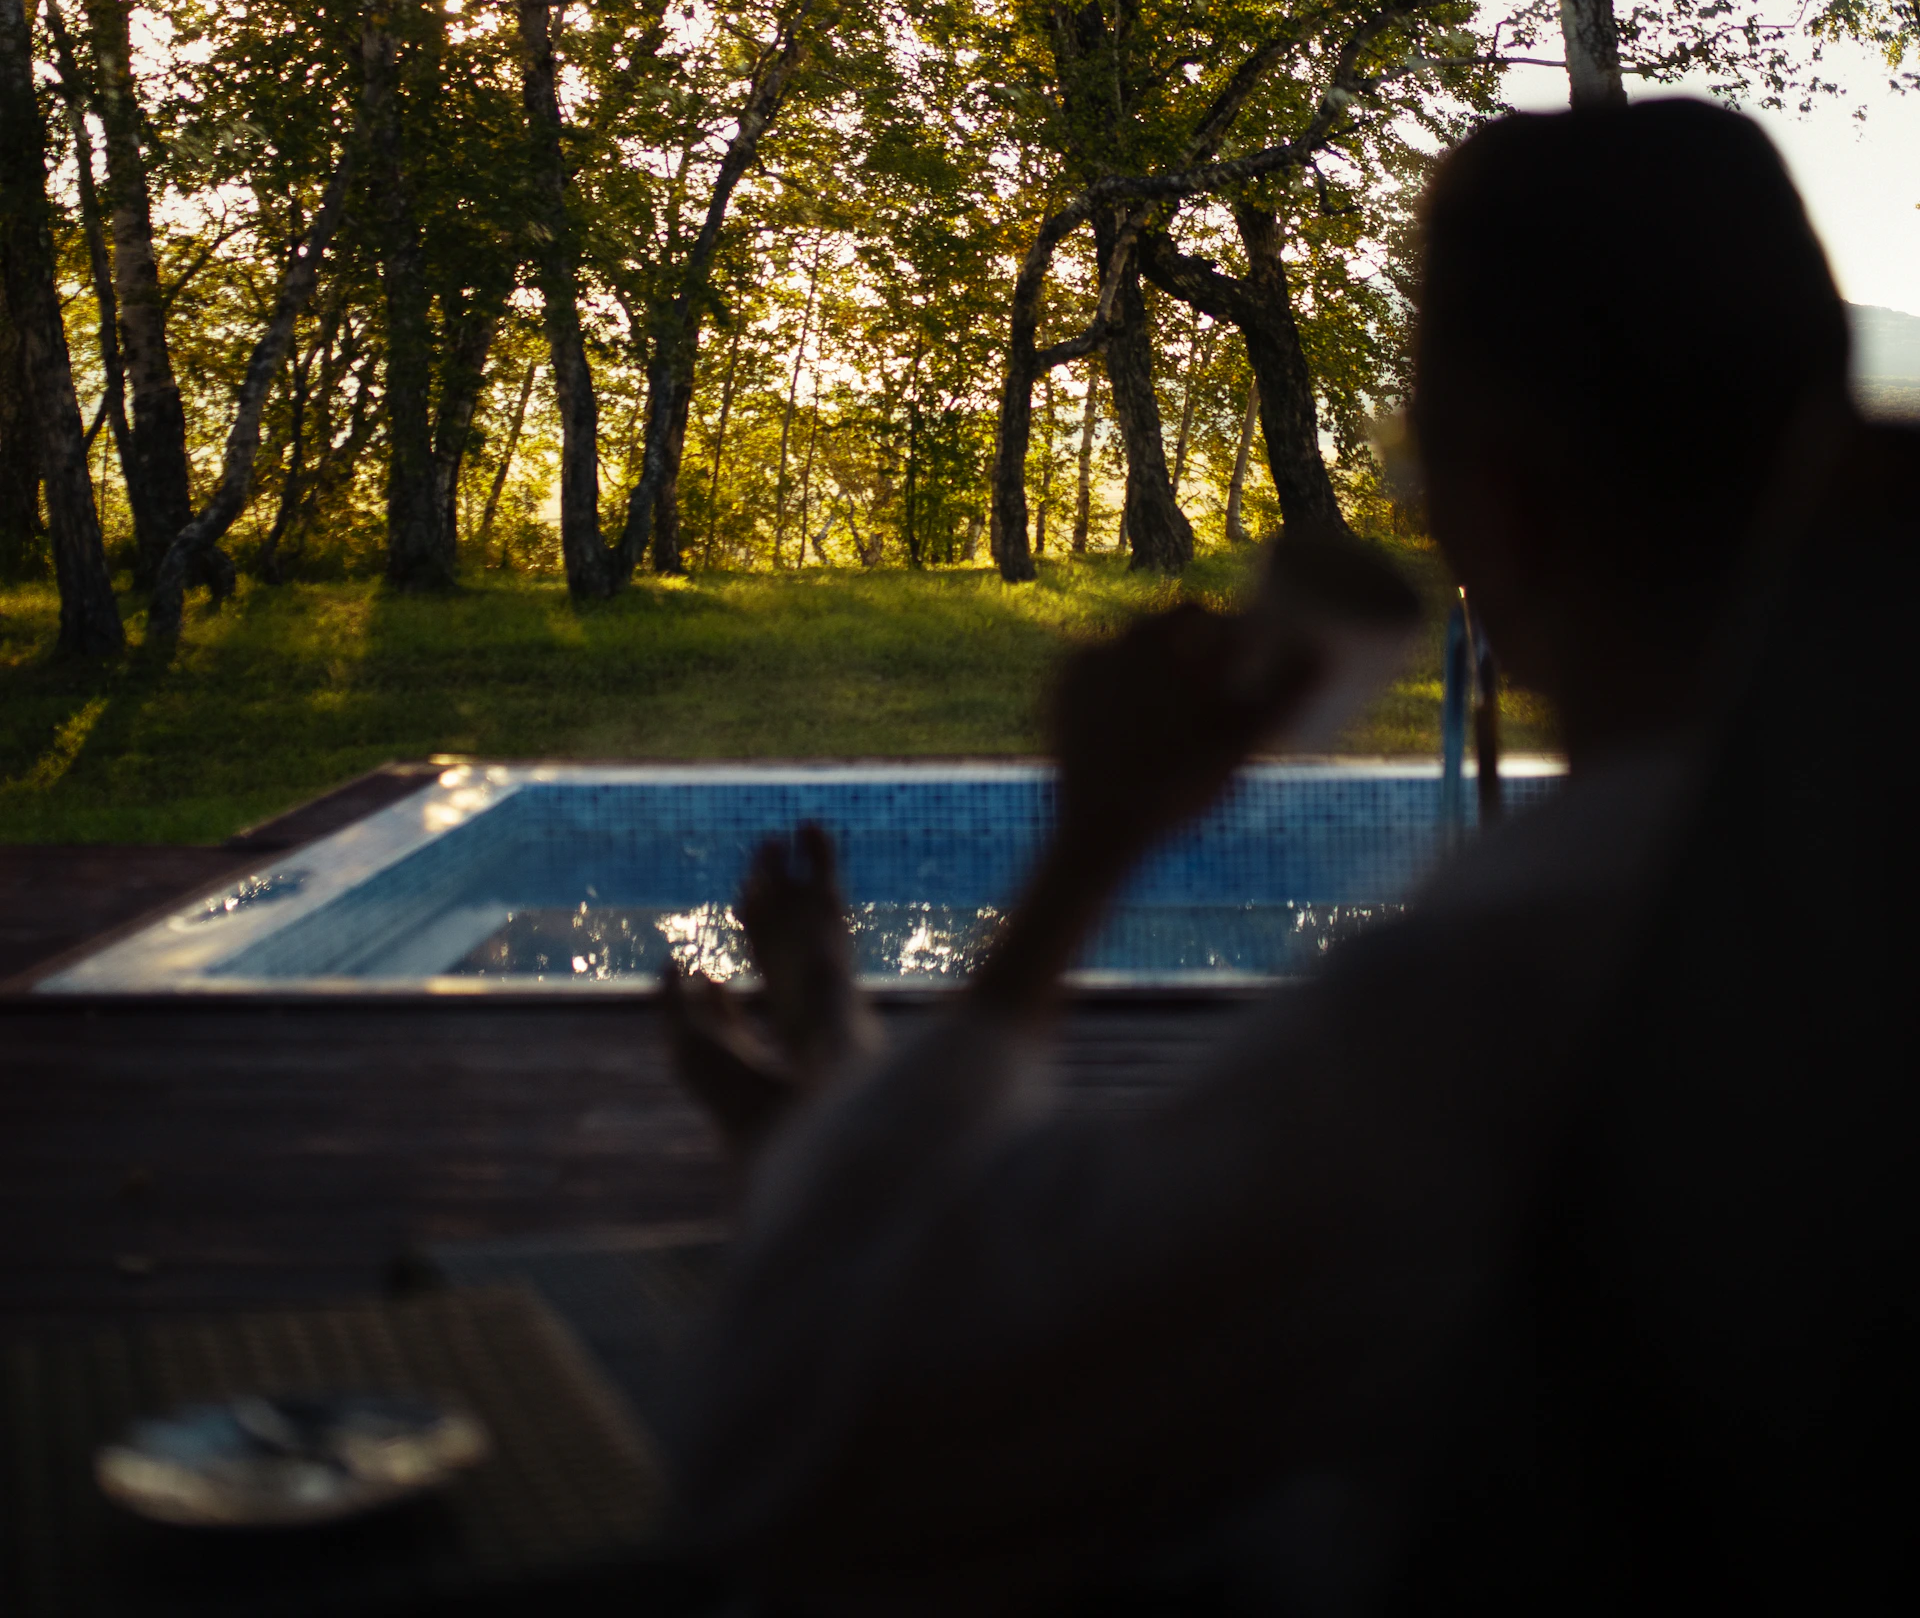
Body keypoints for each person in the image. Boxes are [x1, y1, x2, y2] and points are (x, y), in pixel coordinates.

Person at [658, 99, 1905, 1614]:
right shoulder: (1833, 857)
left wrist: (1084, 859)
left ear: (1492, 508)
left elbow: (792, 1450)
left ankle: (826, 1124)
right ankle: (841, 1095)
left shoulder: (1502, 989)